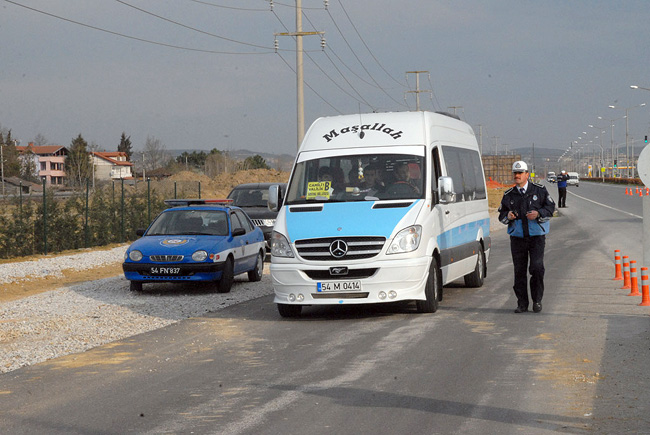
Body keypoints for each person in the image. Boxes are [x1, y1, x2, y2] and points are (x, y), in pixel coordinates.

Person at [498, 161, 556, 313]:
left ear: (527, 174)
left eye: (520, 173)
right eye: (515, 173)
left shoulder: (539, 191)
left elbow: (551, 208)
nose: (517, 176)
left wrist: (539, 214)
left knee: (536, 268)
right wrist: (508, 216)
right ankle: (522, 303)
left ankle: (537, 300)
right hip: (518, 238)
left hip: (536, 237)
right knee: (519, 271)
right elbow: (501, 215)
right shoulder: (509, 195)